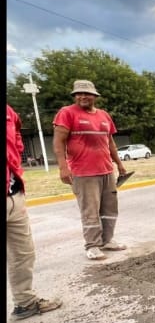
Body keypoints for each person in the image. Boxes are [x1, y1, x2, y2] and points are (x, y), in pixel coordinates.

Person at [52, 80, 131, 262]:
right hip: (84, 173)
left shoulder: (104, 115)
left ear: (95, 96)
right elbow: (58, 142)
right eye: (78, 94)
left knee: (110, 208)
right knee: (90, 210)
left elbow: (109, 142)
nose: (82, 96)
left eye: (86, 94)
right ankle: (92, 246)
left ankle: (107, 240)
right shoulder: (67, 113)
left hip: (106, 170)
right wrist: (63, 167)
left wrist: (118, 164)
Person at [8, 103, 62, 323]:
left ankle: (25, 303)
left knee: (24, 253)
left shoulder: (8, 111)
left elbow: (17, 131)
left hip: (13, 194)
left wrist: (16, 154)